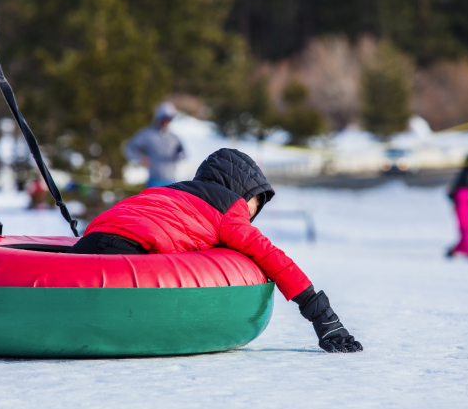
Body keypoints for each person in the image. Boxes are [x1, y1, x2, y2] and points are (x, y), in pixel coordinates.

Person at [67, 148, 363, 353]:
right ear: (243, 191)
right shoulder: (228, 208)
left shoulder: (169, 190)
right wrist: (321, 314)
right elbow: (271, 257)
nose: (252, 214)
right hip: (132, 255)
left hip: (91, 241)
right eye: (256, 203)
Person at [125, 102, 185, 187]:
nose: (166, 122)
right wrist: (140, 158)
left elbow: (183, 153)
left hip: (171, 181)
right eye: (164, 119)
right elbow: (130, 148)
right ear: (158, 118)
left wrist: (178, 156)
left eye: (169, 119)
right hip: (154, 181)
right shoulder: (148, 134)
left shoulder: (174, 138)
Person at [447, 155, 468, 258]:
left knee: (467, 228)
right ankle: (464, 250)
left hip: (464, 202)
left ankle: (460, 249)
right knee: (466, 228)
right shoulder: (467, 174)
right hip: (464, 202)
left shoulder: (463, 173)